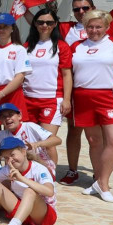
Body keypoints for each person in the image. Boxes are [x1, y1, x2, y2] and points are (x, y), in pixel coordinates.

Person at [65, 9, 113, 202]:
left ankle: (102, 183)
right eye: (90, 26)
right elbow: (67, 75)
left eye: (98, 26)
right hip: (82, 98)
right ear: (85, 28)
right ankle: (98, 180)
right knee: (94, 141)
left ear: (107, 27)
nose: (94, 30)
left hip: (109, 96)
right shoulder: (76, 47)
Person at [22, 7, 72, 135]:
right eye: (41, 22)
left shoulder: (61, 46)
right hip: (28, 98)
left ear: (55, 24)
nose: (45, 25)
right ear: (35, 23)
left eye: (49, 23)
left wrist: (66, 100)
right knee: (28, 141)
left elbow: (67, 75)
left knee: (46, 142)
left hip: (51, 99)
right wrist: (23, 6)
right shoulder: (26, 47)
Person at [0, 103, 61, 174]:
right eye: (3, 117)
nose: (7, 118)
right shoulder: (3, 134)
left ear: (19, 116)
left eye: (10, 115)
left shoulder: (29, 126)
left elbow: (57, 140)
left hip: (41, 167)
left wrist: (37, 144)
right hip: (19, 171)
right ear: (0, 121)